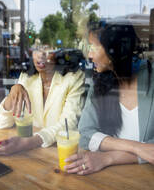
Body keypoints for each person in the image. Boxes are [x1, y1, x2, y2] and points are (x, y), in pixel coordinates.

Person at [65, 22, 154, 175]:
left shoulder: (151, 79)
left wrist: (109, 158)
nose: (90, 55)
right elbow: (85, 133)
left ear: (116, 51)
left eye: (94, 47)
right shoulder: (99, 82)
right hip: (108, 178)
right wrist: (135, 147)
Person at [0, 48, 85, 155]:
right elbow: (3, 123)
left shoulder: (73, 78)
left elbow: (69, 125)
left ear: (59, 54)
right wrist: (11, 95)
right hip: (31, 153)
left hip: (57, 152)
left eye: (48, 50)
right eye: (37, 50)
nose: (41, 55)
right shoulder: (27, 77)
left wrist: (28, 142)